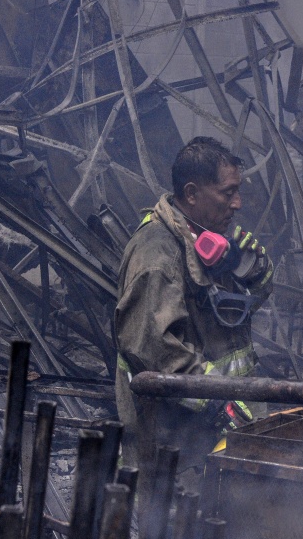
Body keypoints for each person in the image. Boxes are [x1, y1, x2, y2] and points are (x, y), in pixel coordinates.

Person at [114, 136, 274, 517]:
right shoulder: (158, 253)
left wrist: (251, 270)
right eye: (228, 192)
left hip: (212, 436)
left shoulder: (207, 242)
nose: (237, 203)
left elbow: (237, 315)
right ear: (191, 193)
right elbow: (154, 350)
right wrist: (225, 408)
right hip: (176, 446)